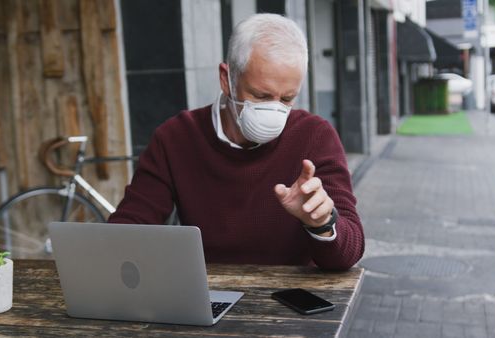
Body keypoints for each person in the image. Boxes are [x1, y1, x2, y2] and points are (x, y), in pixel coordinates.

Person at [108, 13, 364, 270]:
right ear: (226, 79)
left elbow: (349, 252)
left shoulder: (315, 136)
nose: (274, 110)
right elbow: (133, 221)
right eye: (260, 95)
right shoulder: (176, 138)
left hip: (292, 300)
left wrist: (322, 222)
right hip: (206, 295)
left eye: (286, 99)